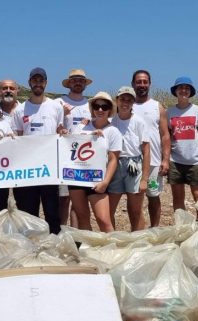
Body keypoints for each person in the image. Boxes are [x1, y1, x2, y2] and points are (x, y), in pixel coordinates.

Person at [12, 67, 64, 234]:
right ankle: (31, 248)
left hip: (50, 169)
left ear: (46, 83)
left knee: (52, 212)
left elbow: (61, 132)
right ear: (29, 83)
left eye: (41, 80)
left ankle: (55, 244)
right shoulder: (19, 110)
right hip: (28, 170)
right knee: (28, 213)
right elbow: (17, 138)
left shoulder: (56, 107)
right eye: (35, 80)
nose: (38, 83)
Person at [67, 91, 121, 232]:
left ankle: (114, 251)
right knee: (82, 217)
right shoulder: (81, 127)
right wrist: (90, 135)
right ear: (92, 108)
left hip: (97, 179)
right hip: (76, 179)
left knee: (103, 220)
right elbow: (70, 144)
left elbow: (113, 159)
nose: (100, 110)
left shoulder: (113, 131)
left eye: (105, 106)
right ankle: (87, 249)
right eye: (97, 106)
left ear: (110, 109)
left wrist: (105, 182)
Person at [108, 87, 151, 231]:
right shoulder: (110, 121)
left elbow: (146, 149)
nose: (125, 103)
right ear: (117, 100)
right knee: (109, 209)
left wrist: (144, 178)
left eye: (129, 100)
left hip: (134, 164)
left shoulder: (139, 122)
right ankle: (111, 241)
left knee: (135, 210)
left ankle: (139, 241)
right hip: (114, 164)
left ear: (133, 102)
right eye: (122, 99)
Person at [167, 77, 198, 219]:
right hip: (175, 161)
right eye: (180, 88)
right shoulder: (169, 112)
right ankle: (183, 228)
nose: (183, 91)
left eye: (187, 88)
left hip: (195, 161)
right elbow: (166, 137)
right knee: (178, 199)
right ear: (175, 91)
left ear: (190, 91)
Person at [55, 69, 94, 228]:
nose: (78, 82)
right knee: (63, 198)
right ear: (69, 83)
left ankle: (76, 232)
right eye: (74, 80)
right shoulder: (58, 102)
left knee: (80, 199)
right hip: (64, 157)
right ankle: (61, 229)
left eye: (81, 80)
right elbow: (53, 126)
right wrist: (60, 124)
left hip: (84, 157)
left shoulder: (91, 104)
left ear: (85, 83)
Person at [131, 70, 170, 227]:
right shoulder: (126, 105)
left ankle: (154, 229)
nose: (142, 85)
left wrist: (165, 159)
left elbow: (165, 135)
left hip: (153, 161)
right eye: (138, 82)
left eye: (145, 81)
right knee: (134, 198)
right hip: (132, 161)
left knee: (153, 196)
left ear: (149, 84)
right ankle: (137, 230)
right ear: (133, 84)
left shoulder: (157, 106)